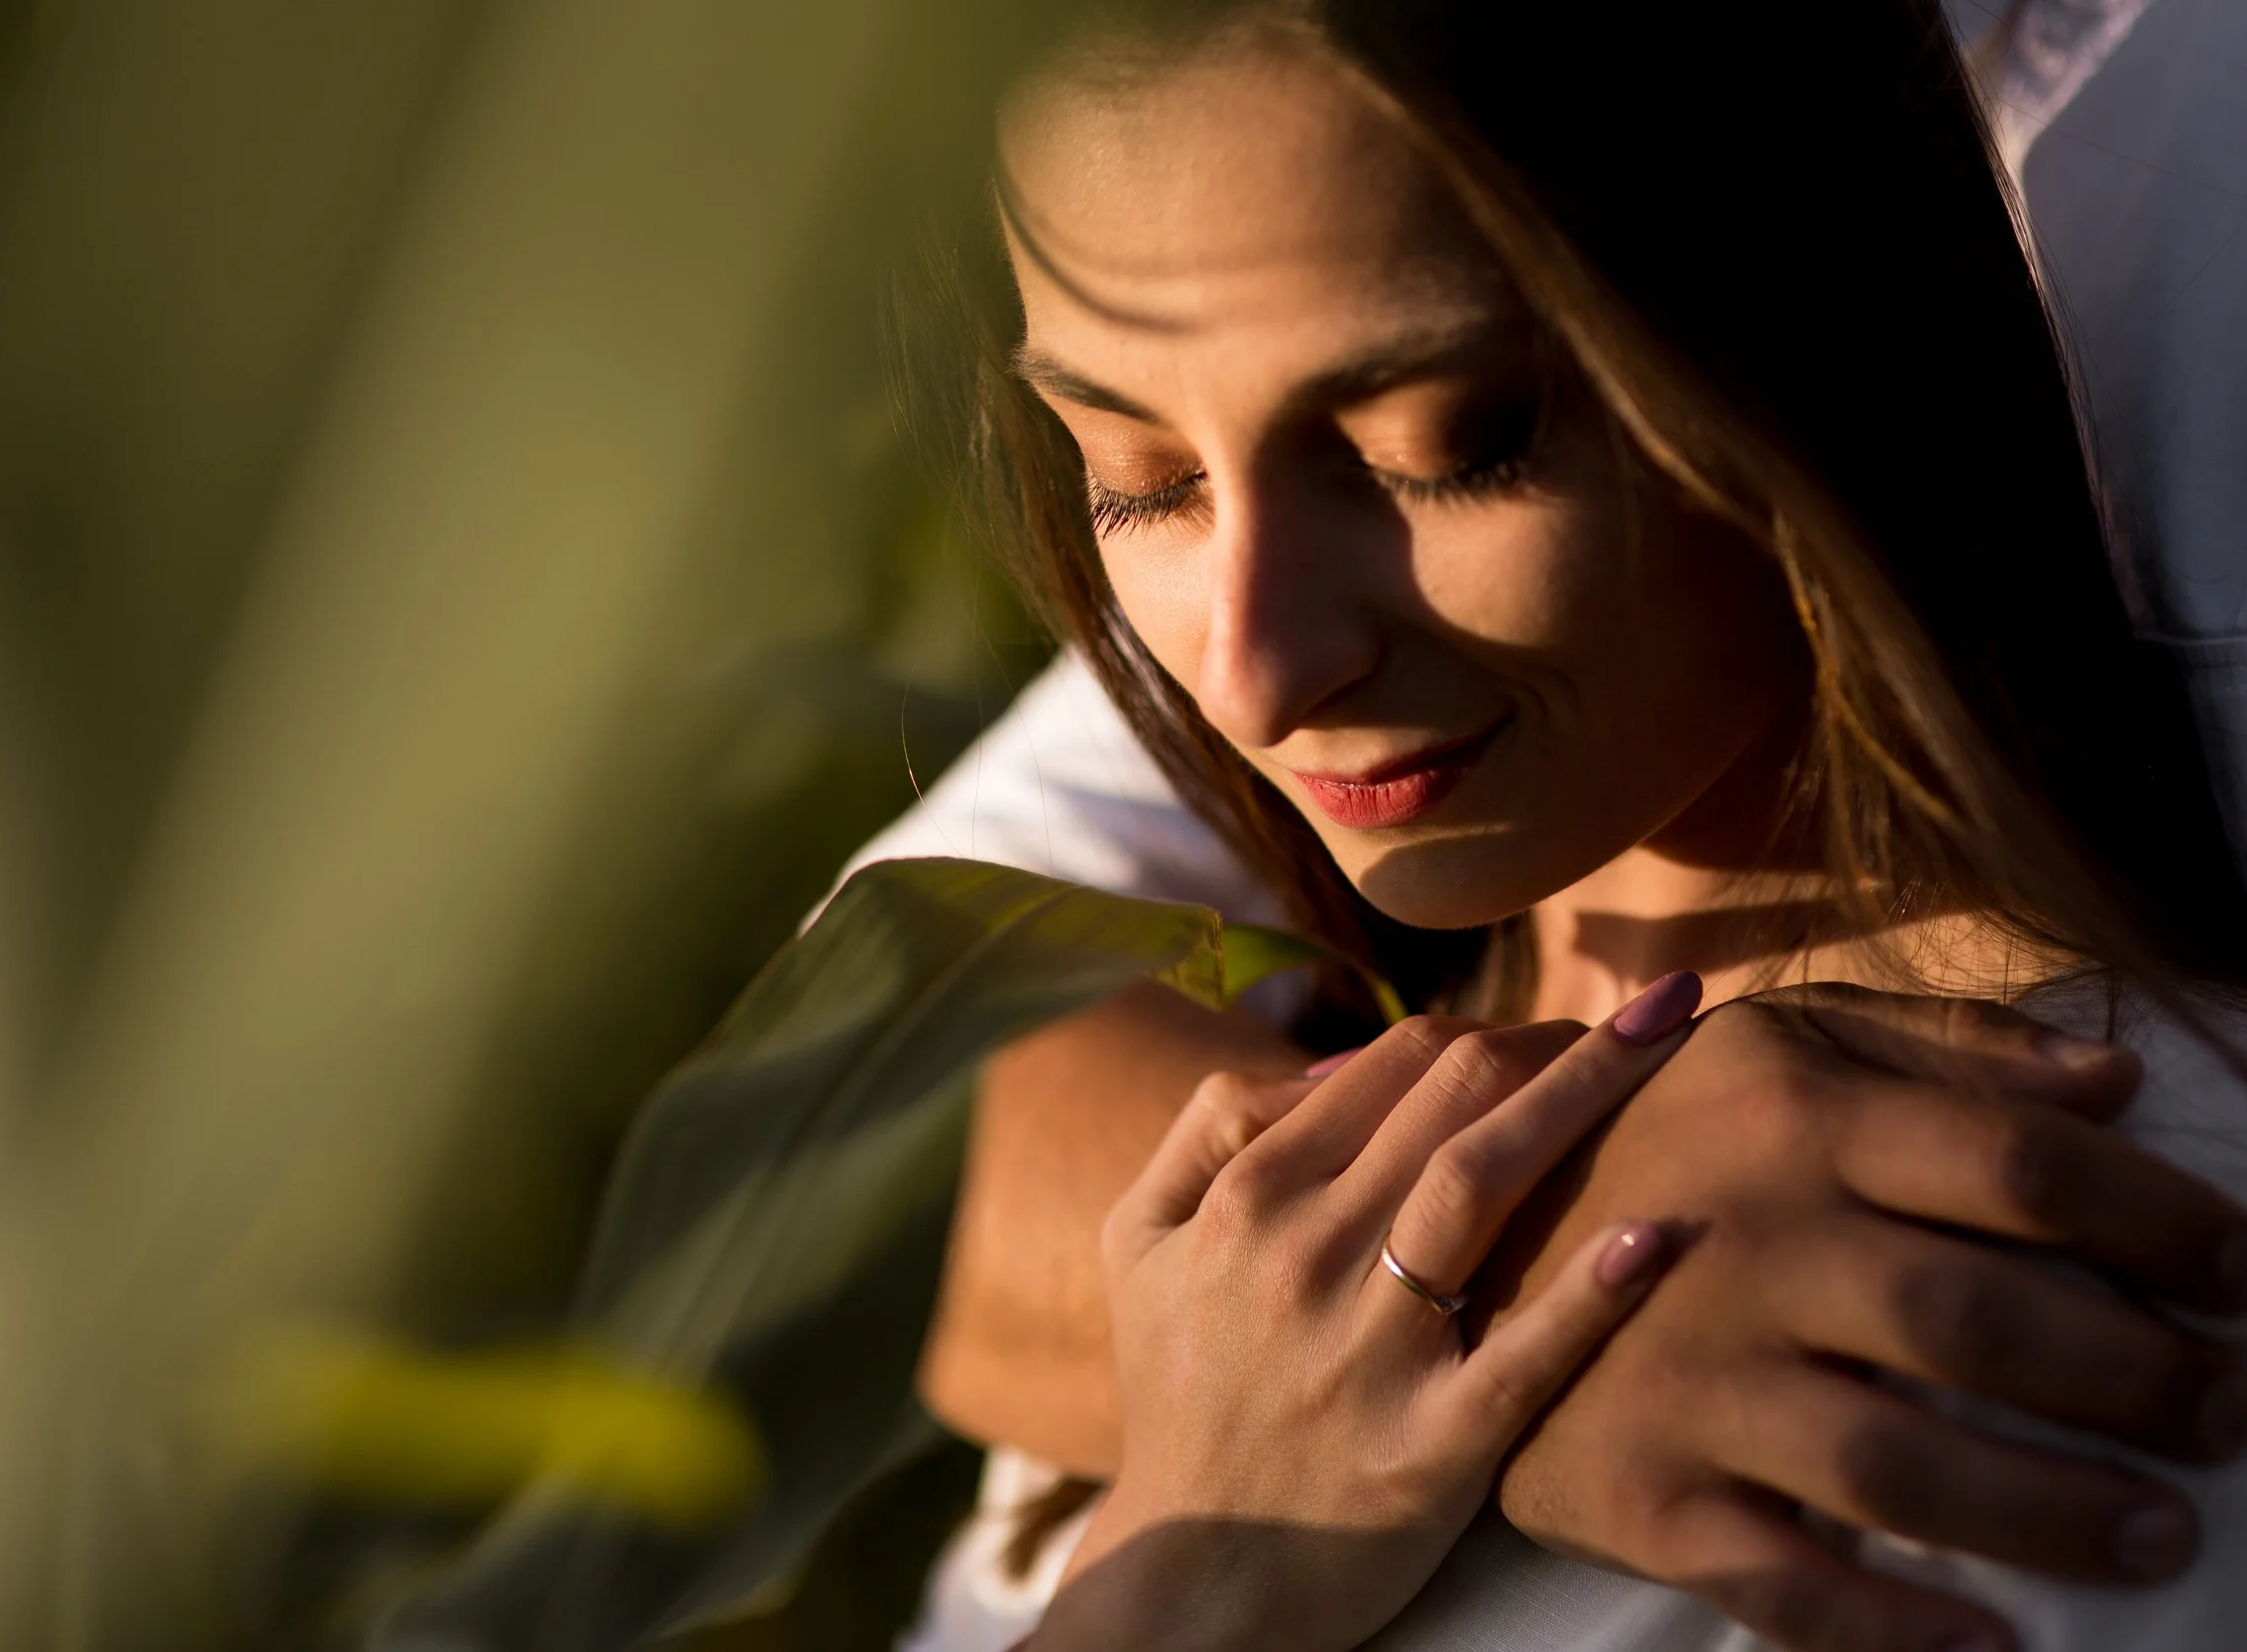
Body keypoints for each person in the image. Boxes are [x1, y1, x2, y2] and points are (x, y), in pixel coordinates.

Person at [840, 1, 2247, 1648]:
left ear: (1812, 326)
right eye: (1141, 475)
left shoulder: (2040, 1333)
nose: (1250, 668)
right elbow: (874, 1079)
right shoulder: (1252, 1244)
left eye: (1457, 446)